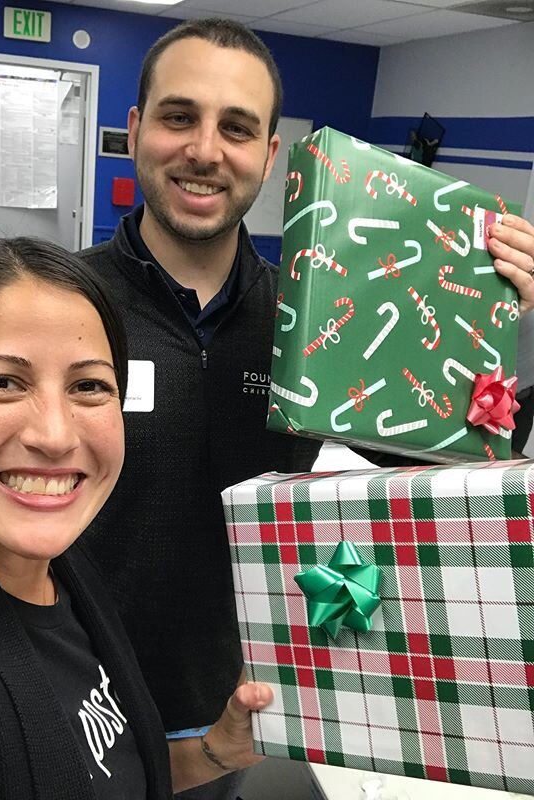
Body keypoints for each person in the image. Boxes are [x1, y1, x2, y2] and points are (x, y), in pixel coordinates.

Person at [79, 17, 534, 800]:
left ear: (269, 156)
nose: (204, 150)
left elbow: (450, 468)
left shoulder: (322, 322)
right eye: (179, 116)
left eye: (237, 128)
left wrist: (484, 334)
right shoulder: (64, 303)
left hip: (231, 707)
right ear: (136, 127)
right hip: (80, 695)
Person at [0, 236, 273, 799]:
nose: (54, 435)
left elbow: (107, 774)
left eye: (89, 386)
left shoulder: (66, 578)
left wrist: (219, 749)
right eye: (2, 382)